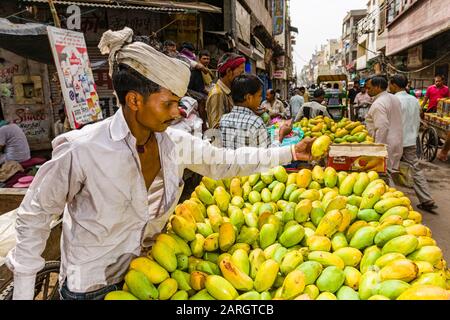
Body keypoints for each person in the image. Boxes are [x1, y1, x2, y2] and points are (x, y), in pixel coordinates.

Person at [6, 27, 316, 300]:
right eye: (168, 104)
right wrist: (22, 291)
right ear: (134, 101)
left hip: (152, 275)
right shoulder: (83, 150)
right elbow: (34, 216)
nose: (176, 113)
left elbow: (225, 162)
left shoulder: (174, 144)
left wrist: (288, 153)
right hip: (91, 287)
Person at [389, 74, 437, 211]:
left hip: (395, 141)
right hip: (411, 140)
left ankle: (394, 202)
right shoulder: (414, 100)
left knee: (388, 170)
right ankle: (426, 198)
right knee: (415, 169)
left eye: (390, 84)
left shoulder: (393, 100)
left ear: (394, 85)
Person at [220, 74, 292, 149]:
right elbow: (269, 153)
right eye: (259, 96)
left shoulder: (223, 120)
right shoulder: (256, 122)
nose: (261, 99)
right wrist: (281, 134)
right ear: (249, 98)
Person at [365, 76, 403, 181]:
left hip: (386, 144)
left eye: (369, 88)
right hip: (397, 141)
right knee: (390, 172)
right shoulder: (394, 98)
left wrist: (377, 150)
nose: (367, 91)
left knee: (384, 176)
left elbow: (382, 127)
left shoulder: (378, 104)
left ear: (377, 87)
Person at [206, 53, 246, 129]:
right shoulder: (217, 94)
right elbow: (216, 128)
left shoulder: (228, 92)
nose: (242, 76)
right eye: (241, 73)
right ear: (228, 72)